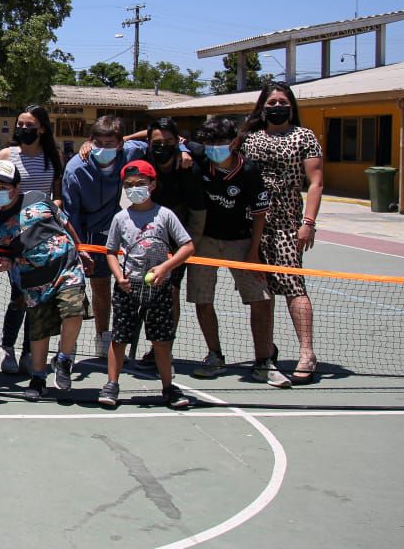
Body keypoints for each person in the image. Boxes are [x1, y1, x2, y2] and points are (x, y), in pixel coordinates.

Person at [186, 118, 289, 387]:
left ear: (234, 142)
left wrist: (254, 253)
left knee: (261, 299)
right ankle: (214, 355)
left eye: (219, 143)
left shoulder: (249, 171)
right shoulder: (199, 156)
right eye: (209, 144)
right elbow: (168, 138)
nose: (213, 148)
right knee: (202, 298)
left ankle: (263, 362)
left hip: (241, 242)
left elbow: (259, 217)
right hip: (204, 241)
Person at [0, 161, 92, 400]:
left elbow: (64, 222)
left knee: (74, 312)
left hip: (67, 268)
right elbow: (5, 257)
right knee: (39, 332)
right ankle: (38, 378)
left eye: (2, 185)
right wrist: (4, 264)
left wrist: (80, 247)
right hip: (34, 281)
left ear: (16, 186)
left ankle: (64, 358)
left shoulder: (38, 197)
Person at [239, 81, 324, 383]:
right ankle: (265, 353)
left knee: (293, 287)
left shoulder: (304, 137)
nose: (277, 107)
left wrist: (308, 223)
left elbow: (315, 182)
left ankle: (306, 353)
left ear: (291, 105)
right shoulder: (249, 139)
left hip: (288, 221)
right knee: (261, 293)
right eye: (271, 102)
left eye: (282, 102)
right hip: (254, 223)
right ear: (262, 107)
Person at [99, 160, 195, 409]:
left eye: (140, 183)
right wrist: (119, 276)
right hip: (127, 288)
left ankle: (168, 387)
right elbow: (110, 251)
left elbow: (188, 246)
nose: (134, 189)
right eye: (129, 185)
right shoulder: (120, 218)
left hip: (159, 289)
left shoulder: (165, 215)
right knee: (119, 338)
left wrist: (165, 268)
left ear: (152, 185)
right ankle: (112, 384)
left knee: (161, 341)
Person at [62, 115, 147, 359]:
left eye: (109, 143)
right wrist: (79, 247)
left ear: (120, 144)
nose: (102, 148)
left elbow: (155, 136)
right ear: (90, 141)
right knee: (72, 289)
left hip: (110, 232)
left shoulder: (129, 153)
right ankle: (68, 344)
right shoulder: (75, 168)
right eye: (97, 142)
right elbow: (71, 212)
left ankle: (102, 336)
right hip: (81, 233)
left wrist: (183, 148)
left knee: (102, 287)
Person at [0, 105, 64, 373]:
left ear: (42, 128)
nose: (23, 129)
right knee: (18, 296)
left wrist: (50, 211)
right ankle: (8, 349)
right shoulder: (5, 154)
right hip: (14, 236)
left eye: (29, 125)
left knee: (38, 297)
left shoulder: (52, 156)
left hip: (43, 235)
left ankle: (28, 352)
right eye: (20, 124)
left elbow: (56, 193)